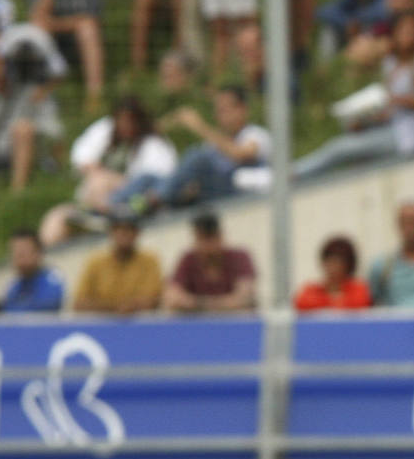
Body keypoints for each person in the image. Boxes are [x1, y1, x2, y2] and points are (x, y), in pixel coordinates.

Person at [295, 12, 414, 181]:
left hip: (412, 136)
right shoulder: (391, 63)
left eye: (411, 30)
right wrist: (368, 120)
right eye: (402, 30)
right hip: (393, 128)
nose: (406, 34)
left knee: (340, 148)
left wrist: (397, 99)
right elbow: (389, 109)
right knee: (349, 135)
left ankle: (295, 172)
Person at [38, 97, 178, 245]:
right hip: (94, 202)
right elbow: (81, 157)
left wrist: (109, 182)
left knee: (100, 180)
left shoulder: (153, 144)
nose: (126, 126)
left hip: (130, 202)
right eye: (121, 121)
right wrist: (96, 170)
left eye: (130, 121)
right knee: (56, 217)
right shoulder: (108, 135)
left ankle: (102, 216)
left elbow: (157, 182)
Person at [134, 84, 270, 210]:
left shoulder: (255, 134)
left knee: (197, 156)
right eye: (218, 110)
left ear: (242, 109)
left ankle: (153, 200)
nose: (219, 115)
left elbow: (240, 154)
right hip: (207, 195)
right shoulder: (213, 144)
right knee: (149, 178)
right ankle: (124, 205)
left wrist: (199, 126)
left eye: (224, 109)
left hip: (239, 193)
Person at [27, 0, 105, 111]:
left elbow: (92, 13)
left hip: (77, 28)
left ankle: (94, 94)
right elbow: (36, 14)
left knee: (88, 28)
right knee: (37, 28)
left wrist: (59, 23)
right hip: (54, 28)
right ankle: (39, 90)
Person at [0, 20, 67, 192]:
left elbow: (54, 133)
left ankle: (17, 194)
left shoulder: (33, 91)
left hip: (14, 152)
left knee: (23, 129)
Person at [163, 212, 257, 312]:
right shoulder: (188, 259)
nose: (206, 246)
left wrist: (196, 303)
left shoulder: (239, 257)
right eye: (200, 239)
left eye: (209, 239)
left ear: (220, 237)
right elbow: (172, 298)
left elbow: (244, 298)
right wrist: (222, 304)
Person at [73, 215, 164, 314]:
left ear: (137, 233)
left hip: (140, 325)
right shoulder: (95, 262)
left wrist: (126, 307)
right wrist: (116, 308)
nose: (123, 234)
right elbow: (79, 303)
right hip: (103, 325)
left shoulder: (150, 261)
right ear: (111, 232)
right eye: (118, 229)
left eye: (129, 229)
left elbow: (155, 299)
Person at [367, 200, 414, 308]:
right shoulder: (381, 266)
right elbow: (373, 303)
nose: (410, 227)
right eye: (405, 222)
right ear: (398, 225)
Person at [0, 229, 66, 313]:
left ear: (38, 253)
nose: (18, 259)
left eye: (22, 253)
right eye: (15, 254)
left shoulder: (52, 279)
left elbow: (46, 306)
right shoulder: (14, 286)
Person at [293, 235, 373, 311]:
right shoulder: (310, 292)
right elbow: (302, 304)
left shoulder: (359, 291)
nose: (333, 268)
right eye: (330, 262)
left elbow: (360, 305)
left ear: (348, 266)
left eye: (339, 263)